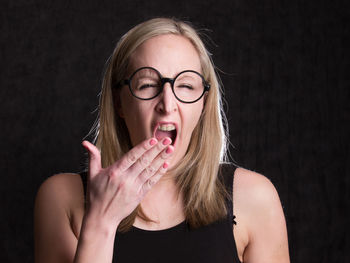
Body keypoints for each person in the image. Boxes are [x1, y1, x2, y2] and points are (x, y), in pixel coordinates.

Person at [34, 17, 290, 263]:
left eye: (186, 86)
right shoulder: (61, 197)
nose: (168, 104)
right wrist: (101, 222)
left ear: (203, 104)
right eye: (147, 85)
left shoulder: (255, 198)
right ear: (119, 102)